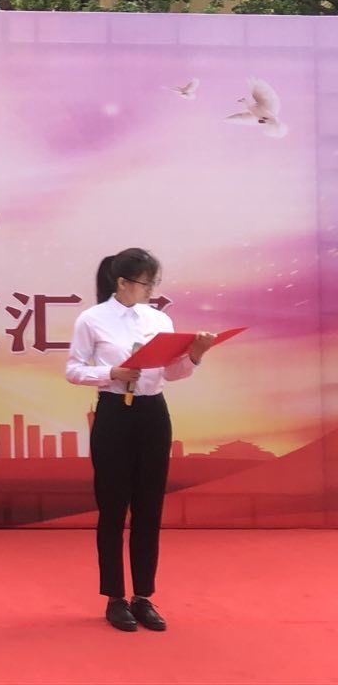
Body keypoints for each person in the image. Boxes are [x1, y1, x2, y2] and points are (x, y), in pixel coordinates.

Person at [65, 248, 216, 632]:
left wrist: (194, 356)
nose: (151, 290)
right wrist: (111, 373)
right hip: (114, 413)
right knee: (113, 506)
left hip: (153, 413)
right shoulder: (92, 319)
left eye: (154, 283)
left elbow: (172, 373)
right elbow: (73, 370)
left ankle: (143, 596)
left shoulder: (159, 319)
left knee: (149, 507)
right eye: (146, 283)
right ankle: (115, 597)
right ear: (122, 282)